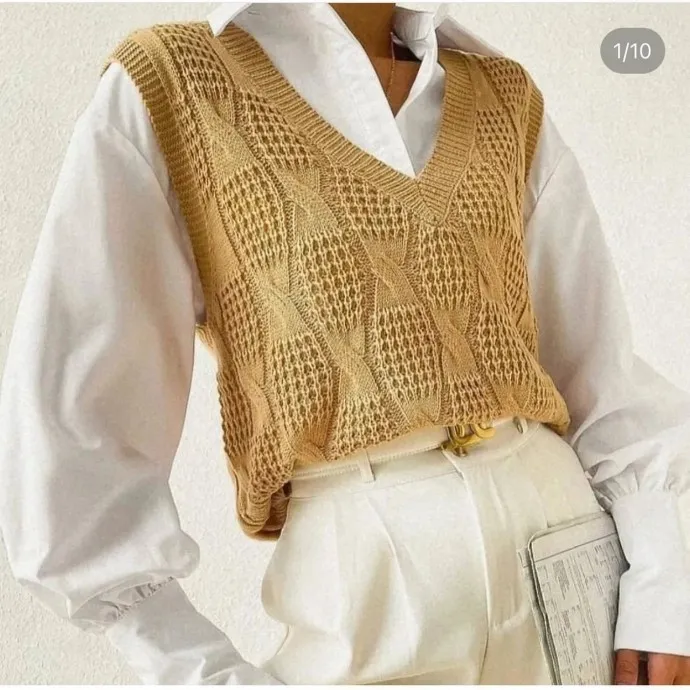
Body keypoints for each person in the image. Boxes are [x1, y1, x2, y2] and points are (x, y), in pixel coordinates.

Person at [0, 1, 688, 685]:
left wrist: (666, 593)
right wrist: (201, 673)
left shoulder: (500, 93)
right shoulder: (176, 83)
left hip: (572, 578)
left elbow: (603, 380)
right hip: (371, 599)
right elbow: (75, 436)